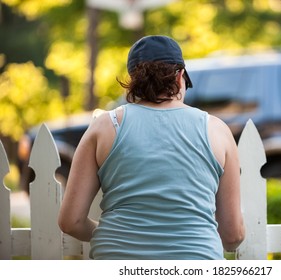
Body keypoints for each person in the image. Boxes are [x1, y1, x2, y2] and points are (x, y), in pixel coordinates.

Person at [58, 35, 245, 260]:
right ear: (179, 77)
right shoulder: (216, 130)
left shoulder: (104, 127)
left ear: (134, 80)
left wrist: (110, 233)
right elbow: (232, 235)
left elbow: (71, 222)